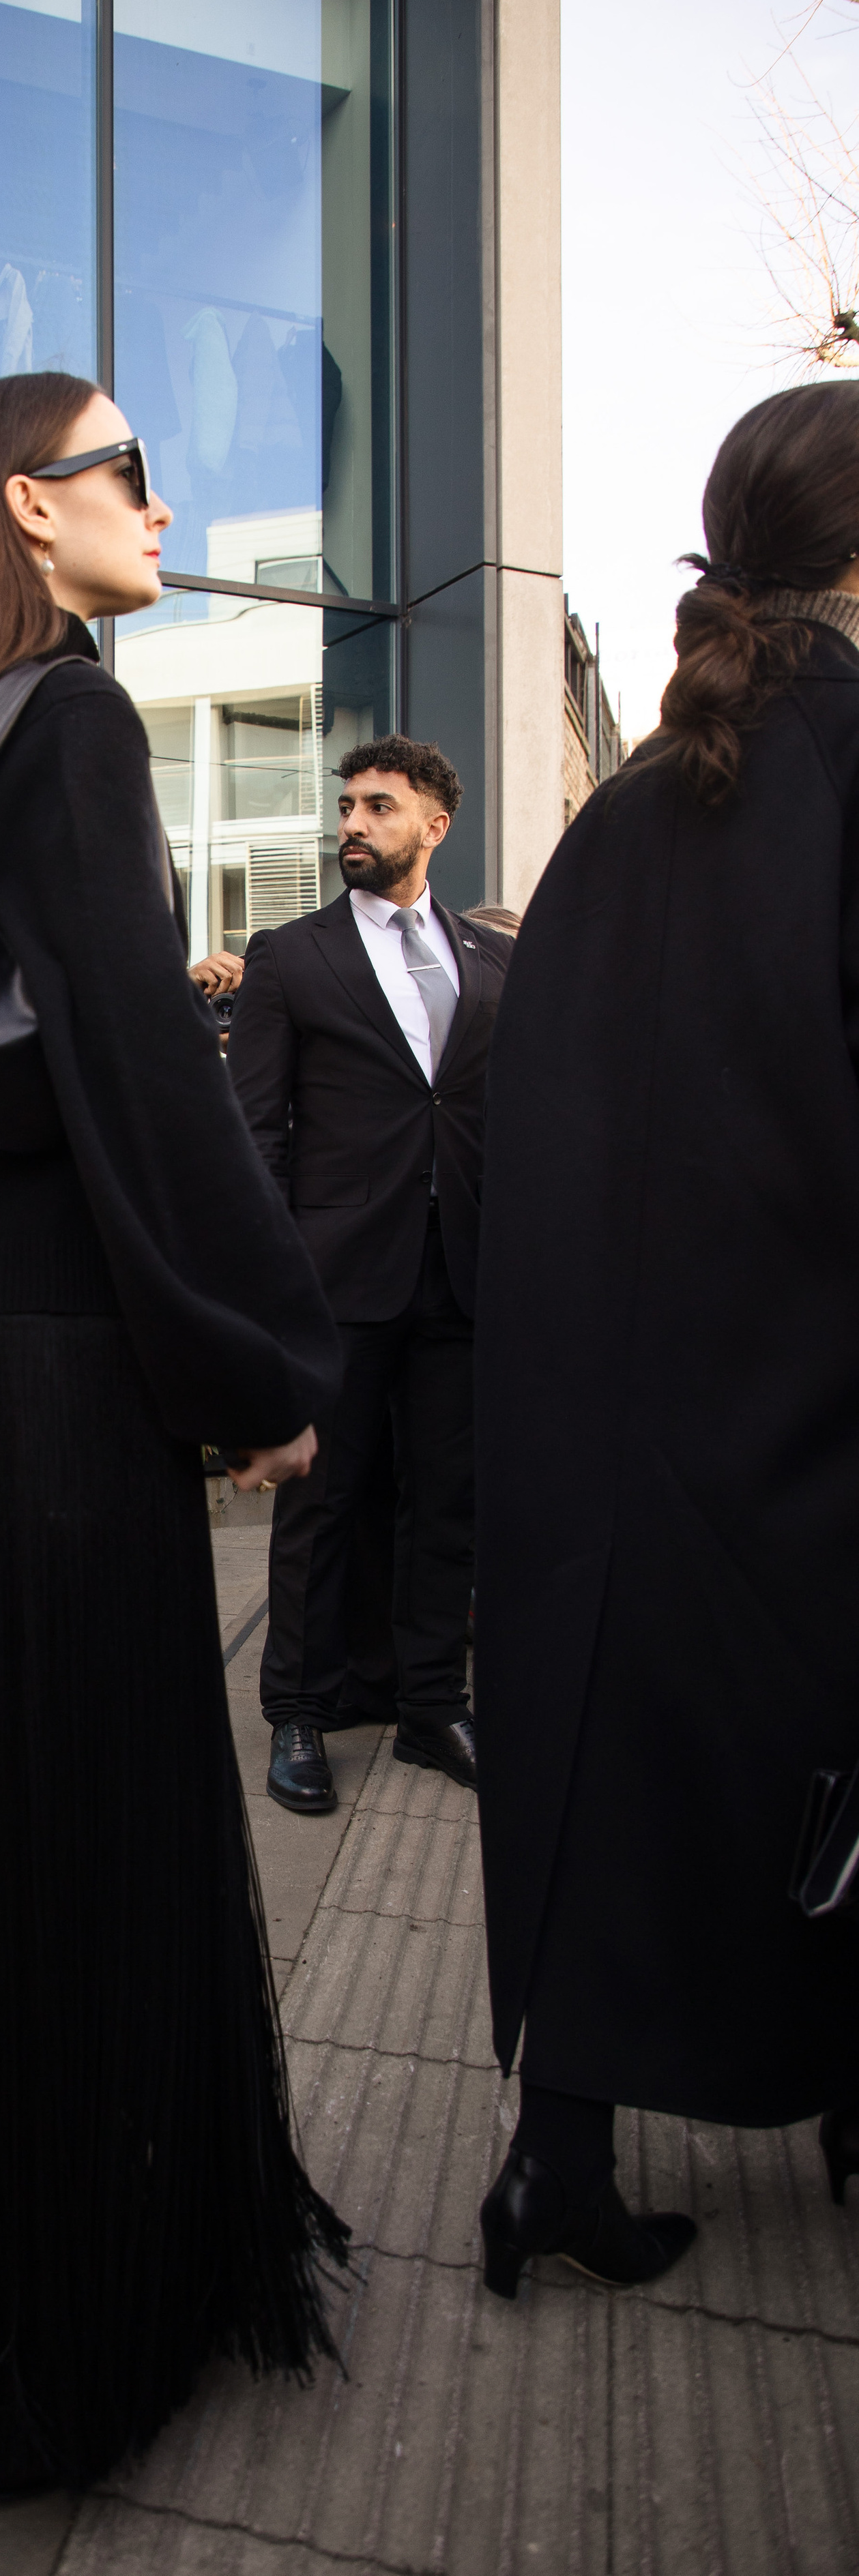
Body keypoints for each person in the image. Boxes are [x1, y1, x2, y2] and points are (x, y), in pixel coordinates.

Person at [0, 373, 347, 2499]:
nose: (163, 502)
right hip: (68, 1354)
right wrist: (260, 1369)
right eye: (132, 470)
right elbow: (144, 1076)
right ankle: (75, 2332)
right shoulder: (76, 718)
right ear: (33, 506)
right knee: (97, 1824)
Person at [473, 381, 859, 2298]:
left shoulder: (630, 805)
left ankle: (554, 2162)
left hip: (604, 1396)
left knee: (607, 1747)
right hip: (807, 1378)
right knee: (818, 1752)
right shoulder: (842, 761)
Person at [227, 737, 512, 1815]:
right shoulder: (291, 957)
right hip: (336, 1278)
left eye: (379, 806)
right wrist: (274, 1282)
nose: (353, 823)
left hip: (462, 1274)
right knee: (323, 1502)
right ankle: (299, 1709)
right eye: (347, 805)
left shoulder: (492, 962)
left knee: (447, 1503)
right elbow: (256, 1135)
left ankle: (433, 1704)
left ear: (435, 826)